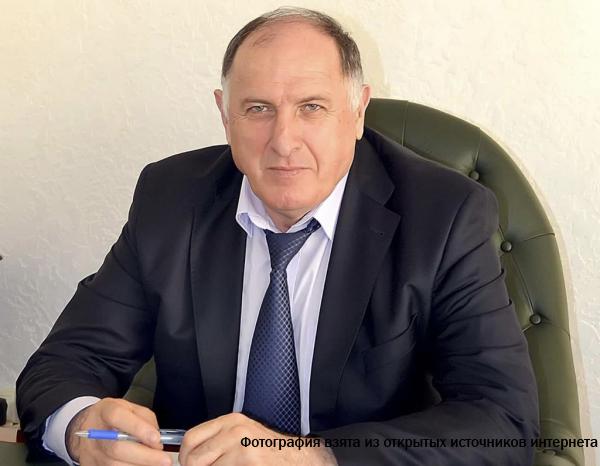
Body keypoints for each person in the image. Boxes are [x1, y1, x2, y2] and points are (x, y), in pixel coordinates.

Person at [17, 7, 539, 466]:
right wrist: (81, 427)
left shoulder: (444, 217)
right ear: (224, 114)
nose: (284, 141)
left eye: (312, 107)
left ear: (358, 111)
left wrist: (313, 457)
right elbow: (64, 364)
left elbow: (501, 420)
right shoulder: (171, 200)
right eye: (258, 108)